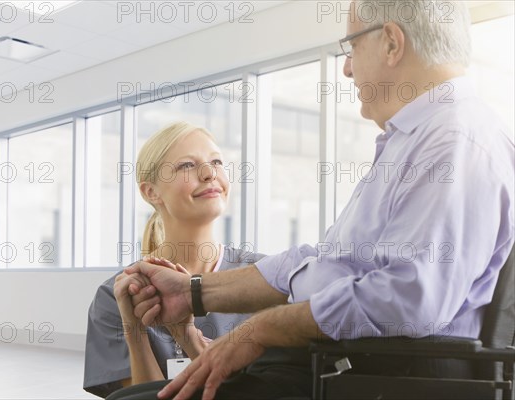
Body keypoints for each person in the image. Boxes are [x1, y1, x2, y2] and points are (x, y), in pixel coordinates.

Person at [113, 1, 515, 399]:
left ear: (392, 43)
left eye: (352, 46)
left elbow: (410, 300)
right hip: (336, 366)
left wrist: (261, 329)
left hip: (370, 376)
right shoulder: (420, 139)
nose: (347, 67)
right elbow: (326, 263)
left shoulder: (454, 142)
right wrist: (193, 292)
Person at [82, 122, 265, 397]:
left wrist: (188, 337)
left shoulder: (263, 277)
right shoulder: (116, 296)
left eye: (216, 161)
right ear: (151, 192)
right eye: (186, 166)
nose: (208, 173)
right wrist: (136, 332)